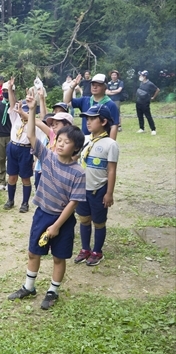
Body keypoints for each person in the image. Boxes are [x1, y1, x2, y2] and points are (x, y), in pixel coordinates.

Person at [8, 93, 85, 310]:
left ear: (75, 148)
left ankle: (53, 291)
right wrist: (31, 110)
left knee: (59, 258)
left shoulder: (78, 173)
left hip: (63, 220)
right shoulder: (48, 157)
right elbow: (31, 135)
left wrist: (56, 226)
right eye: (58, 140)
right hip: (42, 214)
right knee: (34, 251)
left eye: (66, 142)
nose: (60, 144)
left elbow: (73, 203)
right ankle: (29, 286)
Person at [74, 105, 119, 267]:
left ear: (103, 121)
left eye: (92, 119)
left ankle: (97, 251)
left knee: (99, 222)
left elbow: (111, 170)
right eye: (87, 118)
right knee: (84, 219)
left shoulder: (110, 144)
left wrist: (109, 193)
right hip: (81, 189)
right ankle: (85, 249)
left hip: (98, 190)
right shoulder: (85, 139)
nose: (88, 122)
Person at [4, 79, 45, 213]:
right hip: (13, 147)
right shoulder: (15, 118)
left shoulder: (34, 123)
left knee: (25, 177)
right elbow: (12, 103)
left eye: (26, 111)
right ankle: (10, 200)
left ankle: (25, 203)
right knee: (11, 176)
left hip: (25, 150)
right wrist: (10, 89)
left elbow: (43, 118)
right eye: (22, 111)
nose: (22, 114)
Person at [64, 73, 120, 139]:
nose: (94, 87)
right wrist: (72, 86)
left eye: (98, 85)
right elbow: (67, 101)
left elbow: (114, 126)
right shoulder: (85, 100)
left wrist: (111, 144)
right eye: (93, 85)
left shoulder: (110, 104)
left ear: (105, 87)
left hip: (102, 141)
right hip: (85, 140)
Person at [33, 112, 74, 189]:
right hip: (45, 172)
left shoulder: (72, 142)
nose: (53, 127)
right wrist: (23, 113)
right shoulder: (53, 135)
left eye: (56, 124)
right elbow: (38, 122)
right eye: (52, 124)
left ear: (67, 125)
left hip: (59, 176)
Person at [135, 70, 160, 135]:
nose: (140, 76)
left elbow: (157, 89)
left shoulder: (150, 83)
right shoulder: (141, 83)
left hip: (145, 102)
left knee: (148, 116)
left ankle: (153, 129)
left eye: (141, 75)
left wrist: (153, 97)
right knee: (139, 115)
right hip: (138, 101)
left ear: (145, 76)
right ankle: (141, 128)